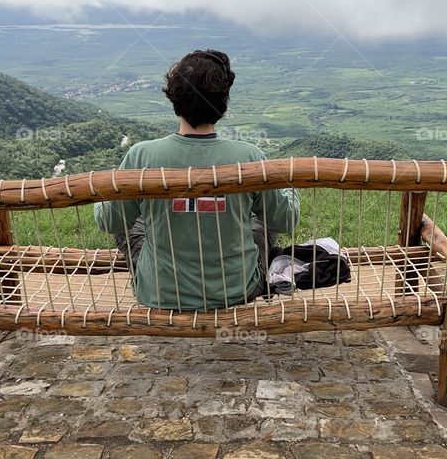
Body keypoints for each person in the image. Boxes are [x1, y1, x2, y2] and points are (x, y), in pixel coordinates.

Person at [94, 49, 300, 311]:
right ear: (223, 102)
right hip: (237, 289)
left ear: (175, 99)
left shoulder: (142, 155)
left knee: (132, 223)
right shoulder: (249, 156)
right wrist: (289, 186)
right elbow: (285, 219)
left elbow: (110, 221)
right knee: (263, 216)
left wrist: (103, 197)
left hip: (161, 293)